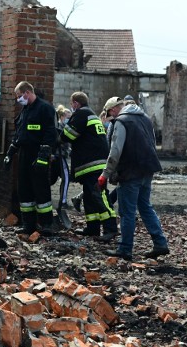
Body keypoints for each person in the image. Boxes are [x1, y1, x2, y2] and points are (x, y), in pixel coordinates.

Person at [100, 100, 169, 261]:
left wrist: (105, 174)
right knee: (145, 206)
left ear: (115, 108)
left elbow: (115, 151)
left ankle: (125, 249)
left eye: (110, 113)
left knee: (127, 212)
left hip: (130, 171)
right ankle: (160, 243)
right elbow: (152, 143)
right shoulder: (144, 118)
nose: (111, 117)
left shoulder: (122, 121)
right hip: (147, 168)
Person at [60, 91, 117, 242]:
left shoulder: (80, 114)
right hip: (93, 164)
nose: (71, 107)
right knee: (90, 198)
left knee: (100, 196)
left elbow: (68, 136)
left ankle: (111, 229)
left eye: (72, 104)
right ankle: (92, 228)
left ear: (76, 104)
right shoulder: (91, 114)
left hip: (92, 164)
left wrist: (60, 131)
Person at [3, 81, 57, 235]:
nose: (19, 99)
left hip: (37, 154)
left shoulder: (45, 108)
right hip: (24, 155)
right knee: (24, 191)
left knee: (41, 190)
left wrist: (43, 157)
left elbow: (50, 134)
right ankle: (29, 225)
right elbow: (20, 135)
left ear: (27, 92)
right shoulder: (25, 110)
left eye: (20, 96)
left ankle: (46, 224)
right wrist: (9, 154)